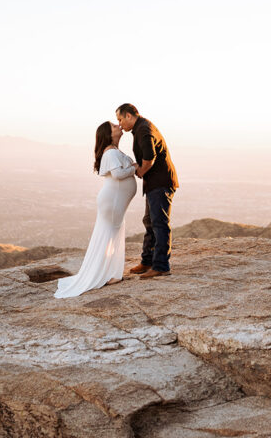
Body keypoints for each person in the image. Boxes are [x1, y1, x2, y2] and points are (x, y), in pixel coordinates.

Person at [54, 121, 138, 298]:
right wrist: (135, 167)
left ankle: (109, 273)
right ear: (108, 133)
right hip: (112, 201)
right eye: (115, 126)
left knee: (112, 234)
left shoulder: (113, 151)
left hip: (114, 201)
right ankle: (106, 274)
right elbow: (118, 174)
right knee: (109, 234)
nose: (119, 126)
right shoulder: (111, 152)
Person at [117, 103, 178, 279]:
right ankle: (147, 261)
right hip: (155, 183)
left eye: (120, 119)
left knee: (159, 223)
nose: (120, 124)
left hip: (160, 182)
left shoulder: (143, 129)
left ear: (129, 115)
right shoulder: (141, 127)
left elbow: (149, 158)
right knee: (149, 221)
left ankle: (161, 266)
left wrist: (140, 172)